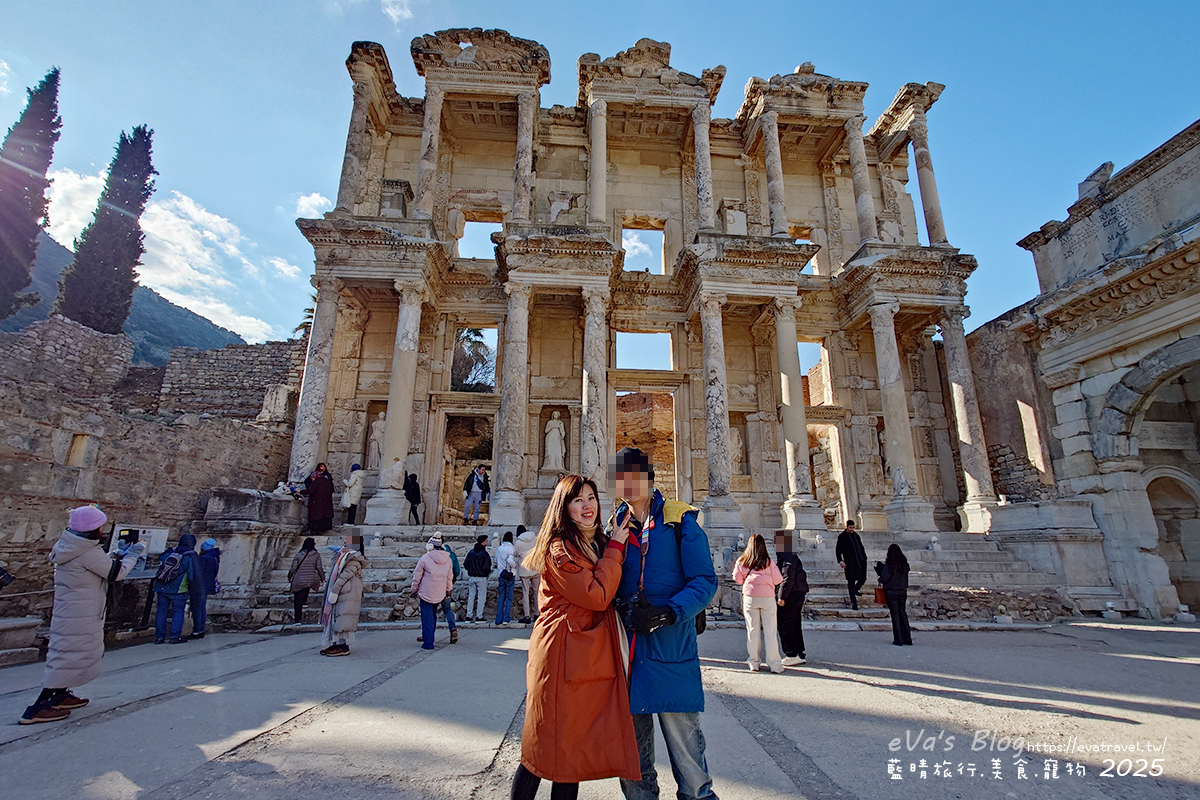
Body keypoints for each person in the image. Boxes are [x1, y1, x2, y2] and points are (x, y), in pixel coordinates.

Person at [510, 475, 640, 799]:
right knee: (544, 750)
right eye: (578, 500)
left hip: (581, 655)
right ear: (564, 508)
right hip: (561, 657)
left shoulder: (591, 542)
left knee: (570, 753)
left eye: (591, 498)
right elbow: (596, 595)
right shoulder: (560, 549)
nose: (587, 506)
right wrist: (616, 548)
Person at [607, 447, 719, 800]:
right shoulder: (615, 526)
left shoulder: (679, 519)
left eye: (633, 474)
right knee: (632, 758)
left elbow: (704, 580)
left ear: (650, 479)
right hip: (628, 652)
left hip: (670, 646)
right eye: (620, 475)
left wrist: (670, 612)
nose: (626, 482)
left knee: (688, 758)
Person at [20, 505, 145, 725]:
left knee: (72, 652)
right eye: (99, 526)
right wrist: (133, 556)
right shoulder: (87, 551)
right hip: (80, 612)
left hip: (75, 610)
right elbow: (116, 573)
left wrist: (116, 554)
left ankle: (61, 695)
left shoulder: (73, 546)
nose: (102, 529)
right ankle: (38, 708)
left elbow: (99, 565)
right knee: (67, 654)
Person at [732, 533, 784, 673]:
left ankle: (754, 662)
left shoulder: (742, 561)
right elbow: (778, 579)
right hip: (767, 597)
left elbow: (737, 578)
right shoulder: (768, 561)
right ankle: (775, 664)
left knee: (752, 630)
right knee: (770, 631)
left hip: (750, 597)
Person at [320, 542, 368, 656]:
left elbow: (344, 577)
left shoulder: (353, 560)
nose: (345, 543)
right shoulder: (344, 557)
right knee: (337, 617)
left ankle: (343, 646)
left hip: (347, 592)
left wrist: (334, 591)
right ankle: (336, 643)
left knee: (343, 618)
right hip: (343, 591)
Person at [411, 533, 457, 647]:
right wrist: (448, 590)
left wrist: (414, 589)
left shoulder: (425, 558)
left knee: (427, 617)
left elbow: (417, 576)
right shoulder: (448, 559)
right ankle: (430, 637)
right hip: (440, 591)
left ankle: (428, 642)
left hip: (426, 590)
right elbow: (449, 577)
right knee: (433, 615)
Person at [153, 533, 199, 644]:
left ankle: (159, 637)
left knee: (161, 611)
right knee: (178, 611)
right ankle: (175, 636)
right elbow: (192, 575)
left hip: (162, 587)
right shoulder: (189, 556)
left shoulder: (168, 554)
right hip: (178, 589)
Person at [774, 532, 808, 666]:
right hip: (797, 592)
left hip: (791, 594)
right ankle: (799, 652)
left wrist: (782, 596)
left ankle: (792, 653)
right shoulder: (790, 555)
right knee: (794, 623)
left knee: (785, 623)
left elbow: (788, 577)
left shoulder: (788, 556)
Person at [875, 544, 913, 646]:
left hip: (891, 591)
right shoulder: (904, 563)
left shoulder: (890, 564)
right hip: (902, 590)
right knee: (903, 613)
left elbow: (886, 577)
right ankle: (907, 638)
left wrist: (881, 577)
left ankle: (898, 639)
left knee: (895, 615)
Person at [288, 537, 325, 624]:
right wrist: (322, 578)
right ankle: (305, 600)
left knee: (297, 600)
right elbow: (319, 568)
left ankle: (298, 620)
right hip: (311, 579)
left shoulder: (299, 555)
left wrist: (289, 577)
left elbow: (293, 568)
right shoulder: (316, 555)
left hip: (299, 579)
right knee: (306, 587)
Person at [192, 538, 221, 639]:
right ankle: (201, 629)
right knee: (202, 607)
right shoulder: (215, 557)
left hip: (200, 586)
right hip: (208, 585)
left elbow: (198, 573)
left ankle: (197, 630)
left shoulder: (204, 559)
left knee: (197, 608)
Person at [836, 519, 867, 610]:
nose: (852, 529)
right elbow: (838, 550)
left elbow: (860, 547)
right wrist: (840, 561)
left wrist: (864, 558)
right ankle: (854, 602)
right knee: (851, 582)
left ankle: (855, 590)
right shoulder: (842, 536)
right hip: (850, 563)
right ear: (847, 527)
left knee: (863, 579)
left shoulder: (856, 535)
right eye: (850, 527)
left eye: (853, 527)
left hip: (860, 561)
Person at [514, 523, 539, 624]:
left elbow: (515, 553)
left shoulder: (518, 543)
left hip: (524, 569)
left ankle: (527, 616)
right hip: (535, 567)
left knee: (525, 593)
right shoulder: (535, 538)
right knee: (537, 592)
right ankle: (537, 614)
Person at [464, 534, 491, 622]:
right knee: (481, 597)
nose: (487, 542)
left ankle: (469, 615)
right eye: (486, 541)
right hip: (481, 577)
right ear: (483, 542)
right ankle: (479, 616)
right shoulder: (484, 553)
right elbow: (487, 566)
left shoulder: (471, 552)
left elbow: (466, 564)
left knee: (471, 597)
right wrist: (485, 573)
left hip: (472, 577)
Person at [305, 463, 336, 534]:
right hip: (318, 498)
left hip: (323, 497)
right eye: (321, 466)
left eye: (323, 466)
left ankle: (318, 529)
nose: (322, 468)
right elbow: (308, 482)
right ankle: (316, 529)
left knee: (320, 514)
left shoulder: (327, 476)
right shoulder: (315, 475)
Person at [494, 531, 517, 625]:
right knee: (509, 598)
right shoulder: (511, 548)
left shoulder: (499, 548)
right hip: (509, 574)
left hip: (501, 574)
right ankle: (506, 618)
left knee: (501, 597)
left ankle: (498, 619)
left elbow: (495, 560)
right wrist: (514, 566)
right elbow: (510, 560)